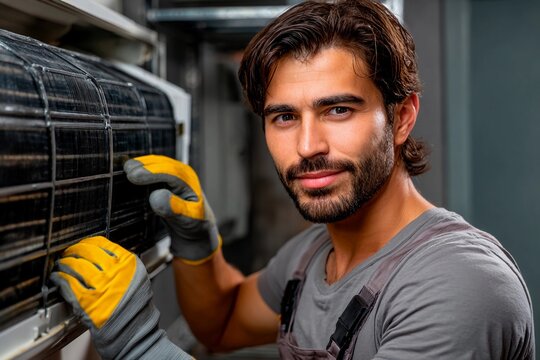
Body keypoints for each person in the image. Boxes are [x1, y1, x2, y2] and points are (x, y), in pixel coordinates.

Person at [51, 0, 535, 359]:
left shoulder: (459, 286)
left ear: (403, 117)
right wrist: (197, 245)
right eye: (283, 117)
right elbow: (220, 323)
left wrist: (140, 347)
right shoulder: (310, 257)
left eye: (338, 109)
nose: (307, 146)